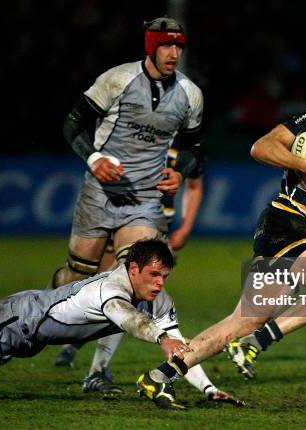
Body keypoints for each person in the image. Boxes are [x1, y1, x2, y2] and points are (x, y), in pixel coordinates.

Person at [136, 72, 306, 409]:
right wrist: (303, 162)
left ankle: (159, 376)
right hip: (287, 222)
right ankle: (258, 341)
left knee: (242, 321)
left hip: (297, 232)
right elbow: (261, 147)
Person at [47, 15, 204, 369]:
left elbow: (197, 150)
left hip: (145, 201)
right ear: (151, 47)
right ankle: (50, 306)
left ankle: (98, 370)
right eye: (166, 45)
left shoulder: (190, 95)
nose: (174, 53)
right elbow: (72, 123)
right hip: (100, 192)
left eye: (179, 46)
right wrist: (93, 159)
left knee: (132, 279)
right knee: (77, 277)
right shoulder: (118, 79)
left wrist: (180, 171)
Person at [0, 239, 242, 408]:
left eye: (164, 277)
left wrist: (208, 389)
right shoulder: (110, 290)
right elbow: (128, 319)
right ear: (132, 270)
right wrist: (160, 338)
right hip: (17, 320)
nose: (159, 284)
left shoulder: (160, 299)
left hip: (36, 330)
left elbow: (182, 347)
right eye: (153, 275)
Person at [56, 142, 205, 399]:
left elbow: (194, 184)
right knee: (92, 287)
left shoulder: (186, 147)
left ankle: (96, 369)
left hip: (155, 230)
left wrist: (186, 225)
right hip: (121, 221)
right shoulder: (130, 135)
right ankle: (69, 333)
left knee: (127, 297)